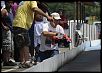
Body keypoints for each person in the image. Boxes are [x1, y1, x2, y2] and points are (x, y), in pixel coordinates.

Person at [13, 1, 53, 68]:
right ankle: (27, 61)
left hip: (16, 23)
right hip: (22, 24)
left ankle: (22, 62)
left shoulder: (23, 2)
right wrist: (47, 16)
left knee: (21, 43)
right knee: (26, 43)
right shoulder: (32, 1)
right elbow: (35, 8)